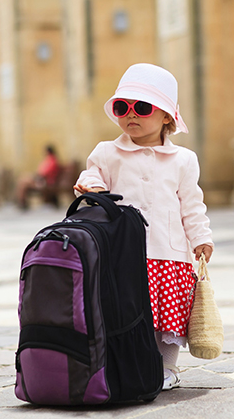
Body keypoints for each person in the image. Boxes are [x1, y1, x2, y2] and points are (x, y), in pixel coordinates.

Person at [73, 63, 213, 390]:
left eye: (143, 107)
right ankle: (126, 363)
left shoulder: (183, 160)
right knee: (128, 309)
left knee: (167, 317)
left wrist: (201, 238)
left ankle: (167, 367)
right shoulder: (108, 152)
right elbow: (91, 175)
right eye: (123, 107)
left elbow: (192, 205)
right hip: (124, 252)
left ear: (167, 116)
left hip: (169, 253)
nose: (131, 115)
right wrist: (91, 186)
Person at [17, 145, 60, 209]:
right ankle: (22, 202)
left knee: (24, 184)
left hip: (46, 182)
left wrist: (37, 176)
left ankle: (22, 202)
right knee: (23, 181)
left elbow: (44, 173)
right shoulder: (51, 160)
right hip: (44, 180)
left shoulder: (51, 161)